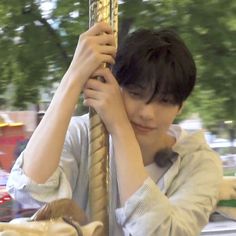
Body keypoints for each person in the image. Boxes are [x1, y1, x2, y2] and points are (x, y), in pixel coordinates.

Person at [7, 22, 222, 235]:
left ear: (180, 106)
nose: (147, 113)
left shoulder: (199, 164)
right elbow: (31, 187)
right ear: (113, 85)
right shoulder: (84, 134)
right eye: (136, 94)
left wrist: (120, 128)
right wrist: (74, 77)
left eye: (164, 101)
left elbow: (157, 232)